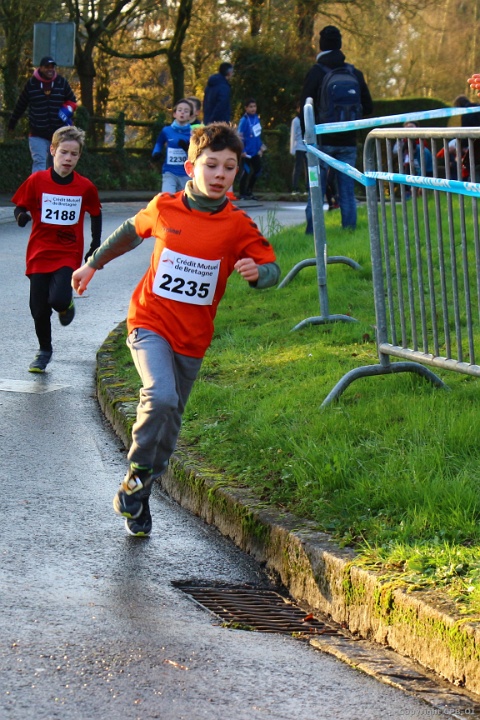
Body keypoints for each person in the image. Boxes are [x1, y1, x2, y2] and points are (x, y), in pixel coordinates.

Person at [71, 123, 280, 537]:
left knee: (170, 427)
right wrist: (93, 263)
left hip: (193, 338)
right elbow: (129, 233)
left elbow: (271, 266)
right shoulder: (165, 207)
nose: (220, 175)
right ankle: (136, 473)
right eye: (211, 165)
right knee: (161, 396)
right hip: (149, 322)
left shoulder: (237, 224)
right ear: (190, 167)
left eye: (229, 167)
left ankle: (139, 493)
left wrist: (260, 274)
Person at [12, 125, 102, 373]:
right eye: (64, 152)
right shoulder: (37, 180)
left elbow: (95, 213)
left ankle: (66, 305)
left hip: (67, 251)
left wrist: (95, 245)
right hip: (39, 251)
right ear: (52, 151)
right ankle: (44, 351)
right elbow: (20, 206)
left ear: (79, 156)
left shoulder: (85, 187)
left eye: (74, 154)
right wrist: (21, 217)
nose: (68, 158)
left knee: (58, 298)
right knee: (38, 308)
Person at [300, 26, 373, 233]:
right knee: (347, 190)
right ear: (340, 44)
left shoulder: (316, 72)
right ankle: (349, 229)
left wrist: (308, 138)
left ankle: (313, 232)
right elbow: (368, 107)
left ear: (321, 45)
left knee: (317, 189)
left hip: (321, 141)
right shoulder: (354, 73)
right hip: (348, 142)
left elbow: (304, 107)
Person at [8, 56, 77, 174]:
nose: (50, 69)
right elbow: (21, 105)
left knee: (55, 165)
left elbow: (72, 100)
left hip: (58, 134)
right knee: (39, 162)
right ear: (40, 68)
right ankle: (37, 185)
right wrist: (12, 123)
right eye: (47, 67)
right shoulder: (31, 84)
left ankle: (53, 186)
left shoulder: (61, 82)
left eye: (52, 67)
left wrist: (67, 111)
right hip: (37, 133)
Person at [151, 98, 193, 193]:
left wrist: (188, 148)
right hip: (169, 172)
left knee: (184, 199)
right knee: (167, 195)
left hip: (187, 173)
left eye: (186, 111)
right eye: (180, 110)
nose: (182, 113)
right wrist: (156, 153)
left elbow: (198, 151)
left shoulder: (193, 132)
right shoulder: (166, 130)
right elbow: (159, 143)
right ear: (174, 114)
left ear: (190, 116)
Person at [237, 98, 266, 200]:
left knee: (258, 170)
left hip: (255, 151)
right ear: (246, 108)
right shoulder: (244, 120)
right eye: (250, 107)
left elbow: (257, 135)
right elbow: (239, 136)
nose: (253, 109)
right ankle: (242, 193)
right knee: (246, 171)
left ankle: (249, 191)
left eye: (254, 106)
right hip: (246, 153)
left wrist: (261, 147)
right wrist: (242, 150)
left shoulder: (256, 118)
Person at [289, 104, 308, 193]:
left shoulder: (309, 119)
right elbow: (293, 135)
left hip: (308, 148)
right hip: (299, 147)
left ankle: (308, 188)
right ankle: (295, 188)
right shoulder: (296, 121)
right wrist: (292, 149)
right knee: (298, 168)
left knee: (309, 169)